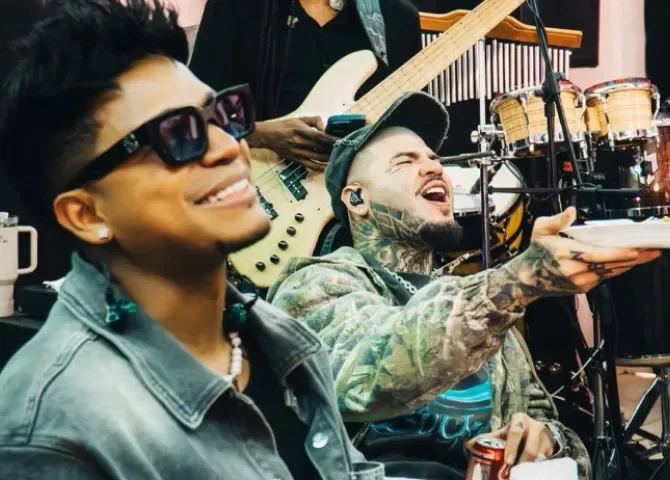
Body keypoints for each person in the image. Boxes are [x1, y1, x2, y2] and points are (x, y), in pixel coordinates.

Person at [0, 1, 375, 478]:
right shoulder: (53, 429)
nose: (229, 147)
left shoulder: (280, 339)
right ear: (86, 214)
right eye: (177, 134)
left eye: (224, 115)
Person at [267, 91, 661, 479]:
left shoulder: (487, 310)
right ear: (357, 200)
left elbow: (558, 434)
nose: (434, 168)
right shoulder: (314, 286)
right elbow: (367, 376)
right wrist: (515, 282)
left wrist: (547, 441)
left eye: (435, 159)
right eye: (405, 161)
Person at [189, 0, 423, 169]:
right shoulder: (236, 7)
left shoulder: (396, 16)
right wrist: (260, 135)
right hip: (256, 183)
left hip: (360, 196)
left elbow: (411, 127)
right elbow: (196, 116)